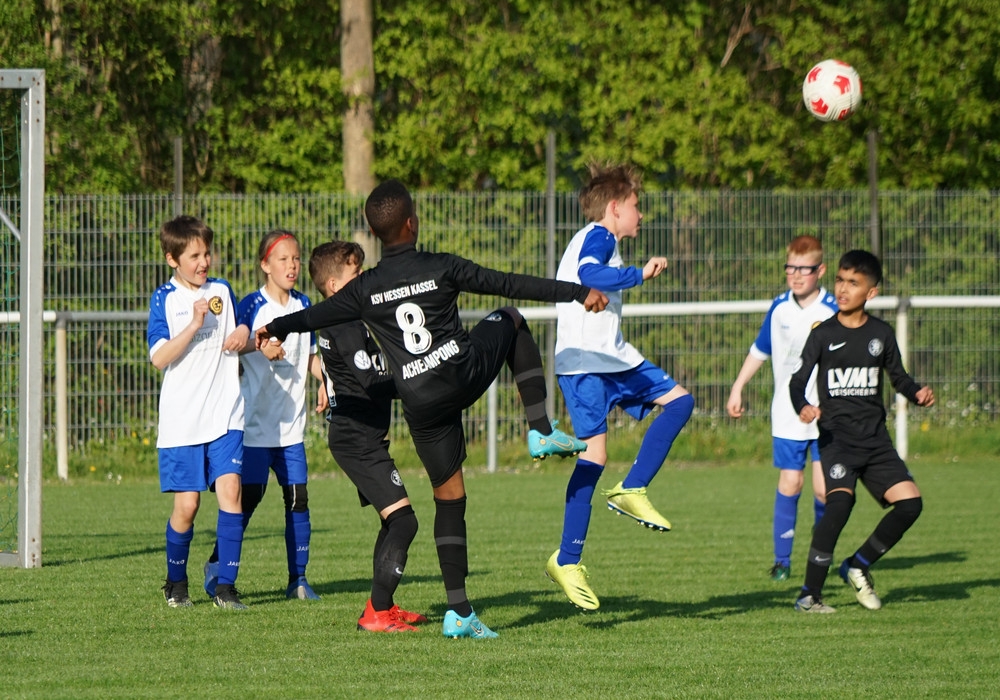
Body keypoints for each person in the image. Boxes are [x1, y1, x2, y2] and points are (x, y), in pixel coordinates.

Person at [255, 178, 608, 639]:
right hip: (460, 373)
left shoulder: (365, 288)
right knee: (511, 318)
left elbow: (313, 316)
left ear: (375, 233)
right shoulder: (441, 266)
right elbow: (509, 283)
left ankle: (460, 611)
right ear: (411, 223)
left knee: (449, 499)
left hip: (420, 402)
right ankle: (540, 428)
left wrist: (276, 328)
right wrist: (577, 292)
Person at [545, 163, 694, 611]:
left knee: (679, 402)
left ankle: (631, 489)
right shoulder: (599, 236)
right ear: (614, 208)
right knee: (596, 456)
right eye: (635, 205)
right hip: (587, 363)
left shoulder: (597, 237)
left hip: (607, 357)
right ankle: (568, 559)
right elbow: (590, 273)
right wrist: (639, 275)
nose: (640, 215)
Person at [789, 250, 934, 613]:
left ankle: (857, 565)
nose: (842, 289)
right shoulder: (823, 334)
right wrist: (803, 406)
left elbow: (899, 378)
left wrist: (916, 393)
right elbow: (797, 381)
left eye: (853, 283)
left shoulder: (881, 334)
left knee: (911, 504)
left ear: (870, 292)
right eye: (840, 280)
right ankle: (809, 595)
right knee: (840, 504)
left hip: (875, 442)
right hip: (837, 440)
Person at [308, 240, 426, 633]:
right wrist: (417, 380)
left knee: (392, 522)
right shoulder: (343, 325)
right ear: (334, 285)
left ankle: (382, 606)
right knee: (404, 523)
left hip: (360, 436)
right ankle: (376, 613)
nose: (363, 279)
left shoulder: (346, 320)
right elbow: (370, 381)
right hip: (356, 439)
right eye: (355, 274)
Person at [203, 230, 326, 602]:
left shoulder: (304, 304)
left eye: (296, 258)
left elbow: (310, 356)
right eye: (283, 259)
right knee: (248, 499)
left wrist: (326, 380)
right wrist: (260, 347)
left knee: (298, 500)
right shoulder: (251, 304)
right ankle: (217, 565)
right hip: (254, 428)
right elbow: (230, 346)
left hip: (291, 429)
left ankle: (298, 580)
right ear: (265, 265)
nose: (292, 265)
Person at [147, 215, 249, 610]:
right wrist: (194, 324)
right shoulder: (165, 299)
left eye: (207, 253)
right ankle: (175, 582)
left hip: (225, 414)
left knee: (231, 491)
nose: (204, 262)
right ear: (172, 259)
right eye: (194, 256)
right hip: (182, 422)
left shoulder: (222, 290)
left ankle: (225, 587)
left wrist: (245, 334)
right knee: (187, 507)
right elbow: (159, 358)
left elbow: (239, 336)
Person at [727, 235, 838, 582]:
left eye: (804, 269)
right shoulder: (779, 308)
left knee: (824, 490)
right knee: (791, 483)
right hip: (788, 413)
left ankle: (820, 554)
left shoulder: (832, 308)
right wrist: (738, 387)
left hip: (827, 415)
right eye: (790, 268)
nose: (796, 275)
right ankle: (782, 561)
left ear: (820, 270)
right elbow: (760, 350)